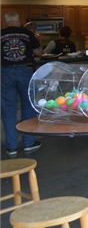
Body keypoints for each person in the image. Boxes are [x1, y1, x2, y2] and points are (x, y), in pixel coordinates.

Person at [1, 12, 43, 156]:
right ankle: (28, 143)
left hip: (5, 72)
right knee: (28, 107)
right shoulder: (27, 34)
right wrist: (38, 41)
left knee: (8, 110)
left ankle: (11, 147)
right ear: (18, 22)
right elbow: (39, 53)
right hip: (25, 70)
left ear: (4, 22)